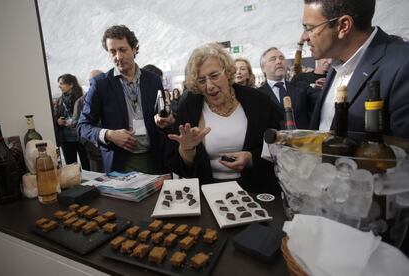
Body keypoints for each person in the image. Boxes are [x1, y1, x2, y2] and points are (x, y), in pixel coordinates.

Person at [165, 43, 282, 193]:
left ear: (227, 73)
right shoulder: (189, 107)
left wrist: (251, 158)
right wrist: (187, 150)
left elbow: (279, 145)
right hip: (208, 193)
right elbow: (177, 164)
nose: (209, 86)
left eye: (214, 76)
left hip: (256, 191)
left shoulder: (258, 102)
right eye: (201, 81)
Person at [303, 0, 409, 138]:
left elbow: (403, 152)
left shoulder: (402, 65)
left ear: (343, 26)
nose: (304, 37)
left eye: (310, 28)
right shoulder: (337, 62)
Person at [78, 25, 170, 174]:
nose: (118, 57)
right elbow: (82, 125)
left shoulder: (153, 80)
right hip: (120, 164)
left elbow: (162, 115)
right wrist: (109, 134)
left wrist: (166, 120)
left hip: (156, 160)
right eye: (112, 52)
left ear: (134, 49)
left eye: (122, 49)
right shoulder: (100, 84)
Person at [258, 47, 318, 129]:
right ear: (263, 68)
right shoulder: (257, 95)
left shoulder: (301, 87)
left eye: (281, 58)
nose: (279, 61)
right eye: (273, 59)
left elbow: (322, 98)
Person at [54, 74, 90, 170]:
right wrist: (58, 121)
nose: (59, 86)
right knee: (71, 168)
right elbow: (54, 117)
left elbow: (89, 117)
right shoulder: (58, 101)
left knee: (87, 165)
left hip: (82, 138)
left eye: (62, 84)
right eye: (59, 84)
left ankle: (90, 185)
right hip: (66, 139)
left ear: (71, 85)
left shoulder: (83, 99)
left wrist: (74, 121)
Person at [72, 69, 103, 172]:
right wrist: (89, 144)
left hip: (114, 151)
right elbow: (77, 126)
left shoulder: (110, 98)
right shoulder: (81, 102)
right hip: (94, 151)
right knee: (98, 180)